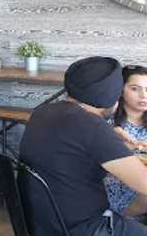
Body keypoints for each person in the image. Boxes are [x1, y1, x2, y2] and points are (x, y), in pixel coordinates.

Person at [20, 57, 147, 236]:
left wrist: (112, 140)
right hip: (85, 227)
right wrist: (107, 137)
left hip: (43, 221)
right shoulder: (93, 127)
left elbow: (74, 153)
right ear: (111, 95)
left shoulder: (43, 112)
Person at [106, 65, 147, 217]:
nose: (143, 95)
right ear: (121, 90)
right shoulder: (109, 126)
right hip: (118, 191)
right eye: (135, 89)